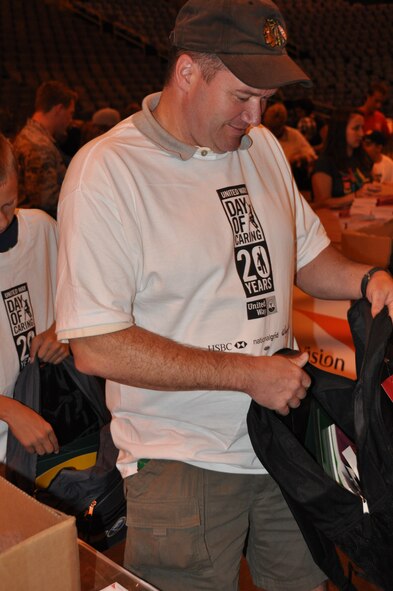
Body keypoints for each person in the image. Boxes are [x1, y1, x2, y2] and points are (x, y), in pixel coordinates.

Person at [55, 1, 393, 590]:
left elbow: (307, 256)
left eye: (264, 97)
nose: (256, 114)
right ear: (187, 72)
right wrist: (246, 373)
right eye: (242, 95)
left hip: (284, 444)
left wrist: (368, 280)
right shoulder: (108, 172)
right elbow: (96, 346)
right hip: (182, 457)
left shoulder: (261, 148)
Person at [0, 134, 69, 473]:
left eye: (7, 205)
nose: (1, 222)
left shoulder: (42, 229)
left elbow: (84, 295)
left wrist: (64, 330)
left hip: (51, 423)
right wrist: (9, 410)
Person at [13, 80, 77, 219]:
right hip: (39, 227)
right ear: (59, 109)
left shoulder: (29, 135)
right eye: (70, 113)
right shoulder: (40, 145)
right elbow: (46, 200)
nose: (70, 120)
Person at [311, 108, 373, 209]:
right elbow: (321, 203)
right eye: (356, 128)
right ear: (340, 130)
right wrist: (356, 196)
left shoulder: (362, 157)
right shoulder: (325, 162)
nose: (362, 134)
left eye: (362, 128)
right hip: (334, 221)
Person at [263, 101, 316, 190]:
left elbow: (311, 155)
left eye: (277, 128)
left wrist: (299, 158)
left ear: (283, 124)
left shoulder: (294, 135)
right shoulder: (259, 136)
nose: (274, 131)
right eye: (272, 128)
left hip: (291, 184)